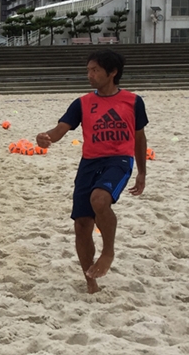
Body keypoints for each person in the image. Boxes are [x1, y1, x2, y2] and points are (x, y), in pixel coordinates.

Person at [35, 49, 148, 294]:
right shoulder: (82, 103)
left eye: (95, 70)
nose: (90, 75)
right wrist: (45, 138)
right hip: (89, 163)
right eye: (88, 70)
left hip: (119, 160)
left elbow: (139, 137)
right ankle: (91, 281)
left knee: (100, 199)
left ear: (113, 72)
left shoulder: (133, 101)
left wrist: (142, 172)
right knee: (82, 225)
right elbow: (60, 129)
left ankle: (108, 251)